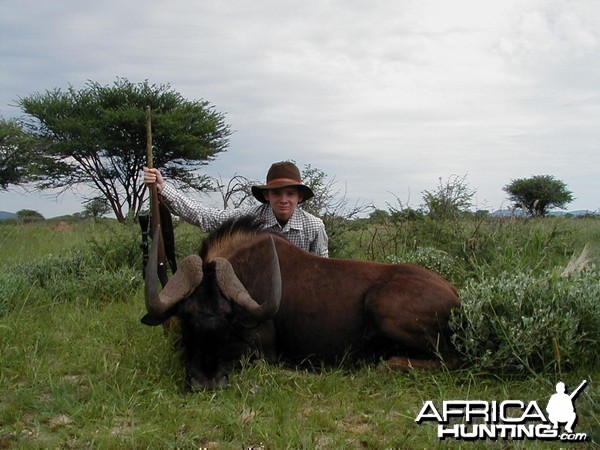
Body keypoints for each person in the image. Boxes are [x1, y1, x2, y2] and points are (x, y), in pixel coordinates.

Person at [143, 161, 329, 257]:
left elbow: (322, 270)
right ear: (267, 196)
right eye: (277, 193)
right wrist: (164, 188)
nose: (283, 200)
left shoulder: (314, 226)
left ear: (300, 197)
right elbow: (206, 217)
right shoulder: (251, 219)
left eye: (290, 194)